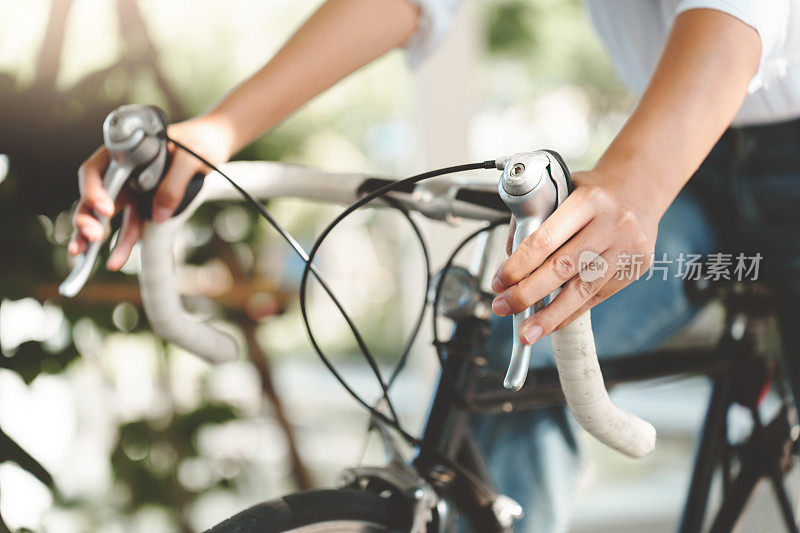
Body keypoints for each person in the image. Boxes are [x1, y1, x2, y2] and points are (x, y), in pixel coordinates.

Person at [69, 0, 800, 531]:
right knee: (521, 337)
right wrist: (220, 131)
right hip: (699, 151)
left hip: (724, 131)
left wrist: (636, 178)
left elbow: (738, 15)